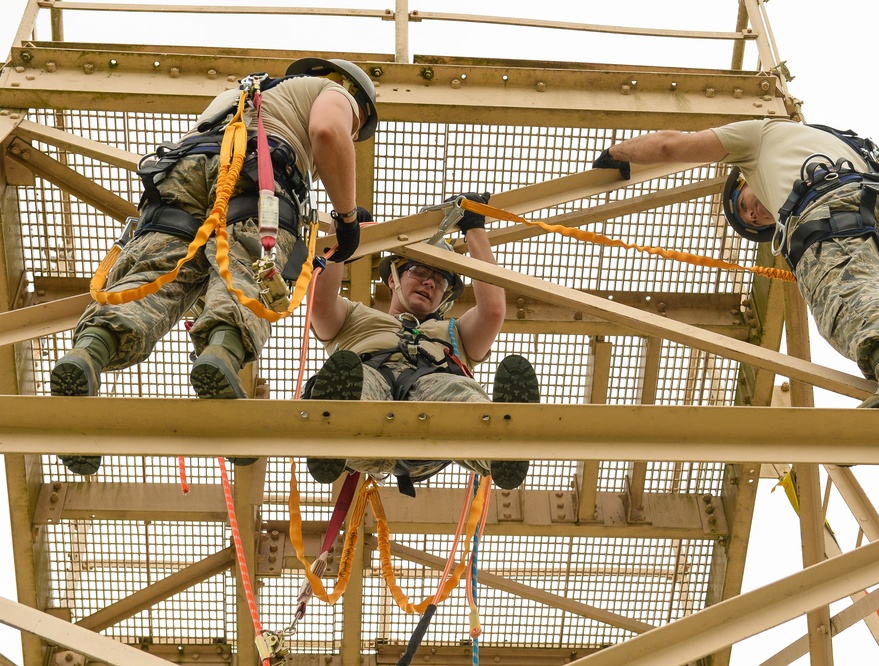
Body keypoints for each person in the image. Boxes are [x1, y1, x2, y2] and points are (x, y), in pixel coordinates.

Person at [593, 119, 879, 491]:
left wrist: (618, 152)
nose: (755, 213)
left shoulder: (756, 137)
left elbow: (669, 144)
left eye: (746, 206)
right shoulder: (836, 141)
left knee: (847, 296)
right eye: (755, 222)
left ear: (743, 179)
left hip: (833, 208)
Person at [50, 57, 378, 476]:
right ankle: (221, 355)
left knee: (155, 276)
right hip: (257, 178)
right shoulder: (334, 92)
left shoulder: (238, 95)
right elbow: (329, 132)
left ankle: (87, 354)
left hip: (181, 175)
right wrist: (347, 218)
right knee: (247, 272)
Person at [301, 192, 539, 496]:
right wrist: (341, 233)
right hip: (372, 402)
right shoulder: (355, 317)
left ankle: (500, 446)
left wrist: (475, 228)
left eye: (439, 281)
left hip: (427, 426)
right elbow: (319, 304)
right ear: (393, 279)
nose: (429, 282)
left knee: (455, 393)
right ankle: (332, 429)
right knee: (358, 386)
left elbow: (493, 311)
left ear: (444, 297)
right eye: (420, 271)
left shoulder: (455, 333)